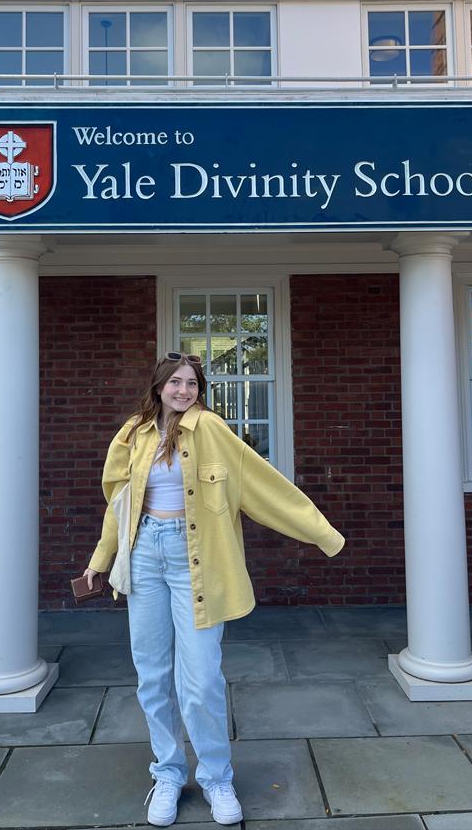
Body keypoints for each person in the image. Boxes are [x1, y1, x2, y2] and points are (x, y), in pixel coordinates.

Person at [84, 352, 345, 827]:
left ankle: (216, 778)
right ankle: (167, 773)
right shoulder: (133, 433)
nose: (183, 391)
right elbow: (119, 505)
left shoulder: (211, 429)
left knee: (201, 679)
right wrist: (100, 561)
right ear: (159, 386)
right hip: (144, 556)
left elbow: (263, 485)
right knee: (152, 676)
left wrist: (323, 534)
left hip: (194, 560)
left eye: (192, 384)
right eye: (175, 382)